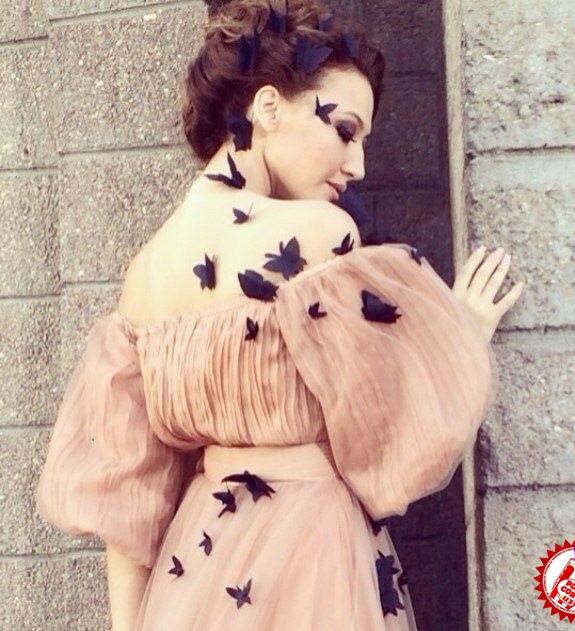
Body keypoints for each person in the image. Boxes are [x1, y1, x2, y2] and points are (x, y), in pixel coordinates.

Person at [36, 1, 524, 629]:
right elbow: (399, 443)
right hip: (312, 554)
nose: (358, 166)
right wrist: (461, 333)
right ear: (268, 108)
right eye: (344, 130)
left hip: (195, 572)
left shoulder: (143, 278)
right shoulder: (321, 233)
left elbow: (126, 515)